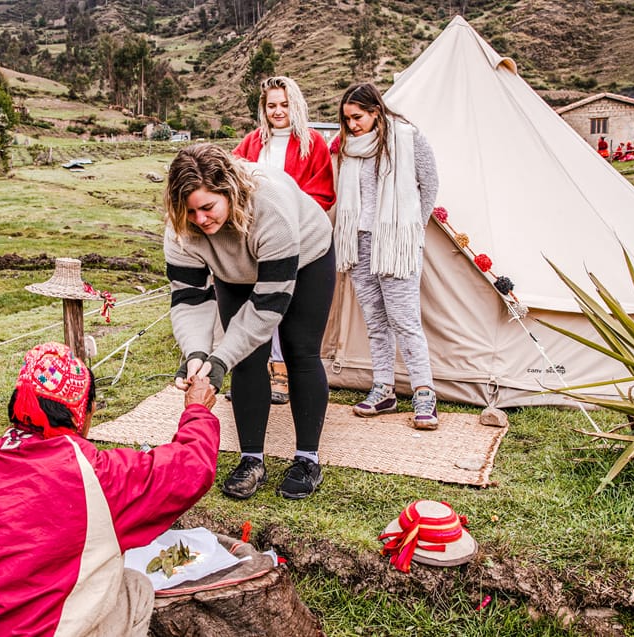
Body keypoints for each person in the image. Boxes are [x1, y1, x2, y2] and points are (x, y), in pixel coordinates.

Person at [0, 343, 220, 636]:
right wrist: (197, 410)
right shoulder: (96, 475)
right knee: (134, 588)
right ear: (83, 413)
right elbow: (190, 467)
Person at [164, 143, 335, 500]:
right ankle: (251, 459)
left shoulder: (269, 207)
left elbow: (266, 308)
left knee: (299, 350)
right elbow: (190, 297)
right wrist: (197, 354)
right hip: (235, 269)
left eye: (208, 207)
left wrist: (219, 359)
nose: (200, 220)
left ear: (228, 191)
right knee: (245, 358)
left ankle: (307, 459)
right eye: (190, 211)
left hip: (305, 258)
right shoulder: (183, 224)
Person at [332, 83, 441, 429]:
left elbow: (430, 183)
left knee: (405, 319)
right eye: (347, 119)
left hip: (395, 242)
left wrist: (413, 229)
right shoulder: (349, 148)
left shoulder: (407, 138)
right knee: (376, 322)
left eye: (358, 117)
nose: (352, 125)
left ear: (376, 111)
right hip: (359, 240)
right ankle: (384, 388)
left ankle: (424, 392)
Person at [233, 75, 336, 405]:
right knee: (256, 301)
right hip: (256, 237)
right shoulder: (252, 143)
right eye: (271, 105)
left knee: (284, 303)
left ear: (296, 105)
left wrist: (292, 216)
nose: (278, 111)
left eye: (284, 104)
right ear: (263, 108)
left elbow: (323, 192)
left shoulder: (312, 142)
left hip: (296, 237)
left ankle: (282, 371)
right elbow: (231, 177)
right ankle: (253, 374)